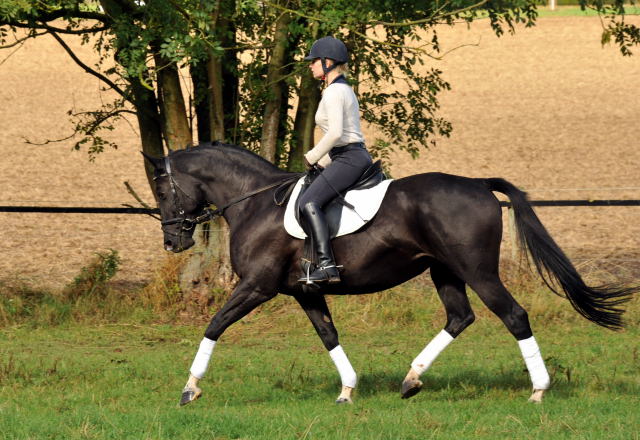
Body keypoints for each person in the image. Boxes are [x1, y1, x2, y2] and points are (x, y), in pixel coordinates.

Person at [298, 36, 373, 284]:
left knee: (309, 202)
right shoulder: (341, 89)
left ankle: (328, 266)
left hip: (350, 157)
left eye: (314, 61)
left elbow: (336, 133)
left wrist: (312, 156)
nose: (310, 66)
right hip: (346, 155)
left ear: (327, 62)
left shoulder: (334, 92)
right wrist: (324, 163)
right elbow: (343, 139)